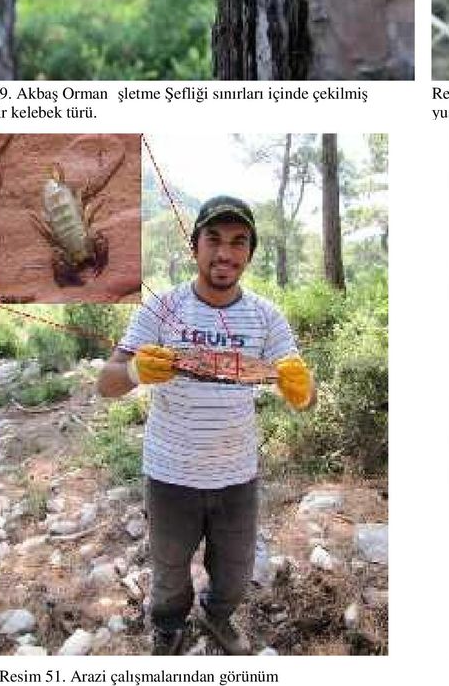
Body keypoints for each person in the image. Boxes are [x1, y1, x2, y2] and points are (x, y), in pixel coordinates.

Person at [97, 194, 315, 656]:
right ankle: (170, 625)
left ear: (250, 254)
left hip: (237, 476)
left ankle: (216, 616)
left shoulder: (266, 316)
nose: (225, 253)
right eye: (213, 239)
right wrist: (136, 372)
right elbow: (106, 382)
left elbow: (305, 398)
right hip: (170, 475)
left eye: (238, 242)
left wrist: (300, 388)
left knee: (235, 572)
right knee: (170, 569)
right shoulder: (161, 309)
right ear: (194, 246)